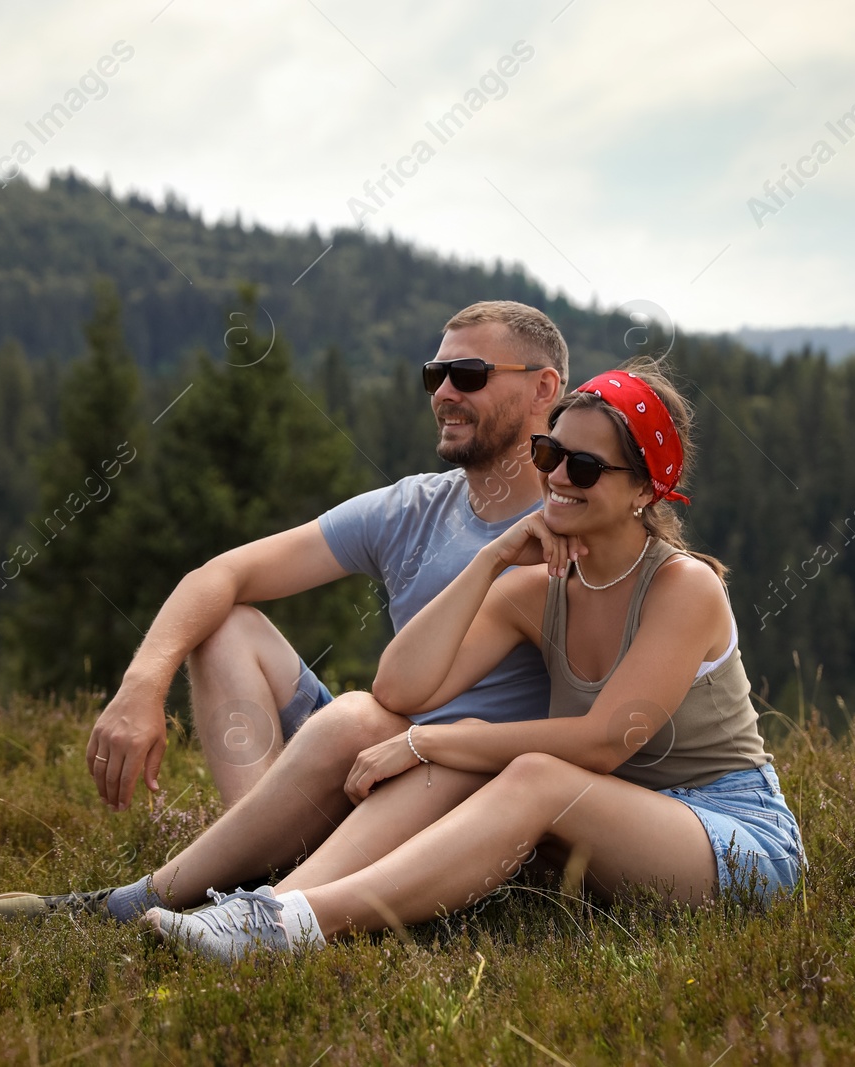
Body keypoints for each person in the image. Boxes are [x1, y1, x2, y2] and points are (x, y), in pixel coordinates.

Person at [141, 360, 805, 960]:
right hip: (620, 826)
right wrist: (488, 562)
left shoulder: (683, 587)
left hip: (731, 835)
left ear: (643, 491)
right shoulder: (535, 589)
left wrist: (434, 740)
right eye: (550, 453)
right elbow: (400, 684)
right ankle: (262, 906)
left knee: (530, 772)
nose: (556, 477)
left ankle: (285, 925)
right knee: (490, 768)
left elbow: (607, 740)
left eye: (585, 467)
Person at [0, 301, 569, 922]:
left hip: (469, 786)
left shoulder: (579, 528)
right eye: (434, 375)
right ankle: (254, 878)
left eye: (469, 374)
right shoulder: (412, 508)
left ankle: (145, 901)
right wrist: (141, 685)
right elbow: (222, 574)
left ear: (544, 388)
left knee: (360, 717)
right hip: (371, 766)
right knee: (227, 625)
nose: (445, 393)